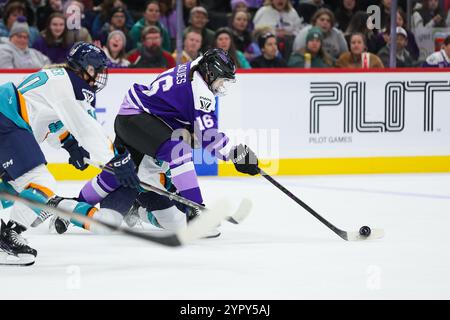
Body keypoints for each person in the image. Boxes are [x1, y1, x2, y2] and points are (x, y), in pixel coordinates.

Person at [77, 48, 260, 236]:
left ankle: (75, 205)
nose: (221, 86)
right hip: (137, 117)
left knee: (119, 172)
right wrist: (236, 155)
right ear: (211, 73)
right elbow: (208, 136)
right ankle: (195, 211)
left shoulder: (196, 66)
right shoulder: (201, 91)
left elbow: (199, 131)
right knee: (178, 151)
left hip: (134, 118)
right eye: (221, 80)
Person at [0, 42, 139, 266]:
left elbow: (47, 118)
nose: (100, 76)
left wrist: (69, 144)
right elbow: (86, 127)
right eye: (97, 70)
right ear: (84, 68)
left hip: (6, 116)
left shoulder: (58, 79)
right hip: (6, 120)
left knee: (13, 189)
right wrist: (114, 160)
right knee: (42, 183)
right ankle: (7, 237)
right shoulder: (69, 86)